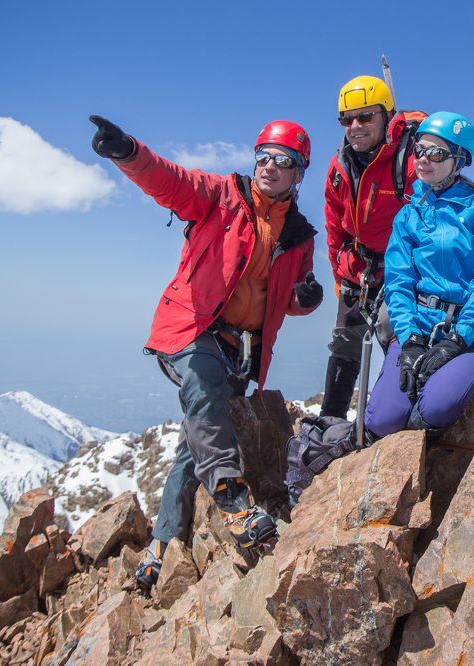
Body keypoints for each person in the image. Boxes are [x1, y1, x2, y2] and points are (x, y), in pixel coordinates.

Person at [88, 115, 323, 591]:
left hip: (239, 348)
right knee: (204, 385)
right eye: (263, 156)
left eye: (282, 161)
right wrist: (129, 152)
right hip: (192, 328)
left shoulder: (299, 235)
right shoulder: (221, 196)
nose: (269, 166)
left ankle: (161, 546)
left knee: (193, 443)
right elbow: (170, 181)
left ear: (298, 173)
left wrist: (307, 299)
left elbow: (283, 298)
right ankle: (232, 499)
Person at [363, 112, 474, 437]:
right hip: (417, 329)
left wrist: (459, 339)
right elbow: (398, 283)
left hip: (470, 337)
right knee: (383, 420)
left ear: (459, 160)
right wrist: (410, 339)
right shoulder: (409, 215)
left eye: (436, 153)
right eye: (419, 150)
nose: (423, 159)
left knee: (436, 407)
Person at [321, 75, 425, 418]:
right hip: (359, 269)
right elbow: (334, 223)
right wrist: (339, 272)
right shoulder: (340, 166)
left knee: (396, 338)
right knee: (344, 345)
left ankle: (394, 418)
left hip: (403, 269)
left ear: (387, 116)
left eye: (366, 116)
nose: (355, 126)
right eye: (347, 119)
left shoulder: (409, 159)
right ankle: (330, 421)